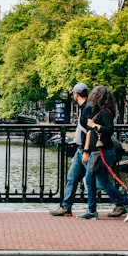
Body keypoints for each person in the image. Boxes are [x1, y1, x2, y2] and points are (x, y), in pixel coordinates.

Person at [82, 85, 128, 219]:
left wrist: (95, 126)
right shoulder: (101, 112)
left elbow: (109, 129)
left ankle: (125, 201)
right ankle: (92, 209)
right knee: (92, 181)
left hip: (102, 152)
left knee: (100, 182)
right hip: (97, 152)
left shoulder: (105, 112)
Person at [50, 83, 92, 216]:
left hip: (85, 151)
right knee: (72, 178)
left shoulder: (88, 108)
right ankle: (66, 207)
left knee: (98, 181)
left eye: (73, 93)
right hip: (80, 150)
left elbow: (90, 130)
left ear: (76, 94)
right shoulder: (84, 107)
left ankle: (122, 202)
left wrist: (86, 151)